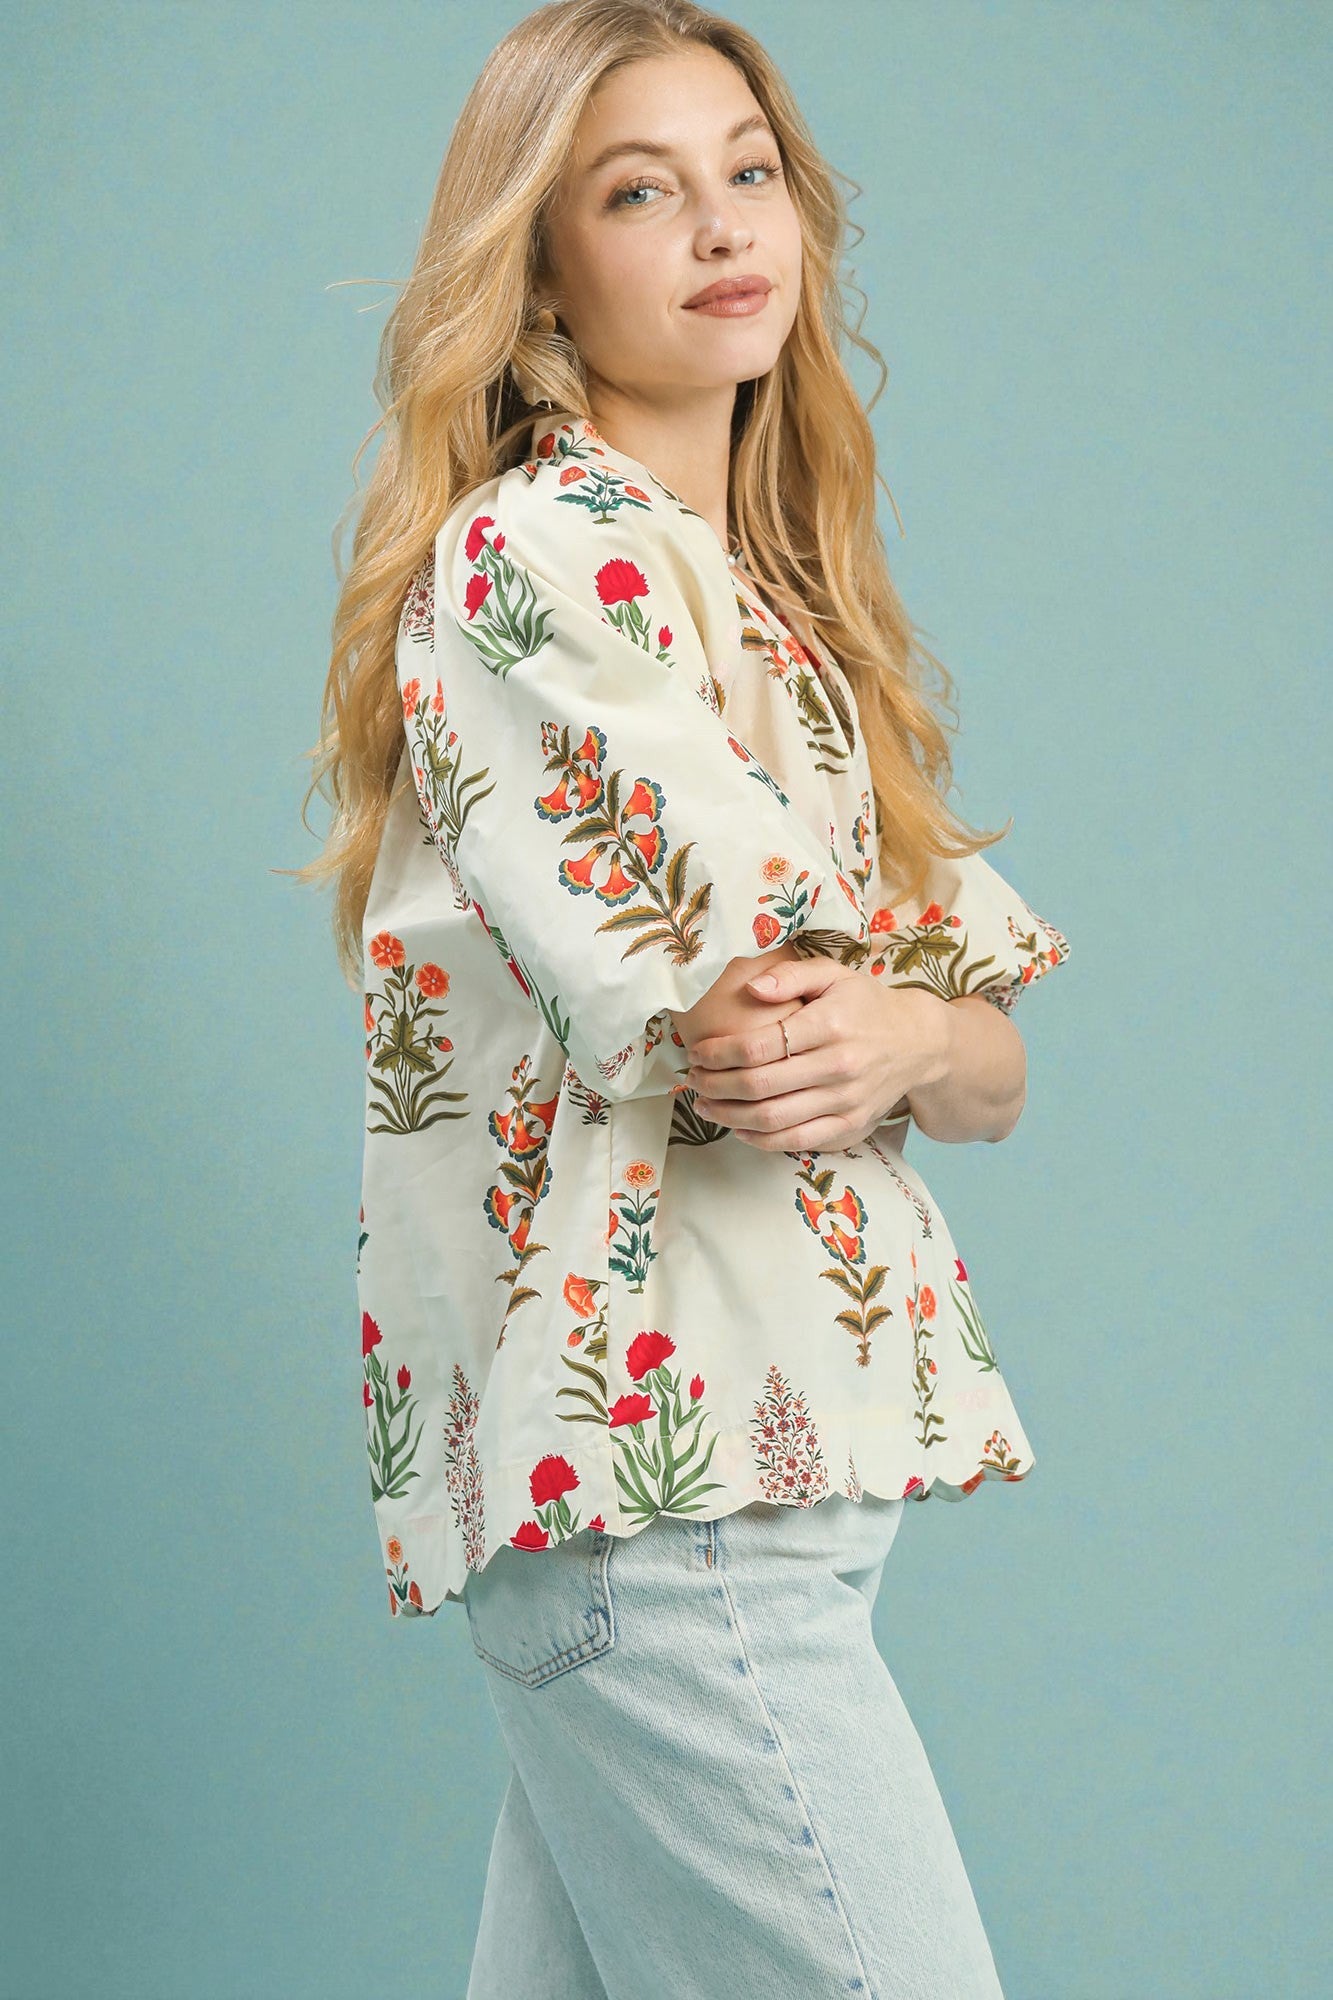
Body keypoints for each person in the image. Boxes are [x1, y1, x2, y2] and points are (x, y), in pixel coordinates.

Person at [298, 3, 1072, 1993]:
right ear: (540, 266)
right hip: (680, 1527)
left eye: (748, 170)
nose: (722, 223)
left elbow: (974, 1050)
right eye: (639, 191)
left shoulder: (768, 604)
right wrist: (895, 1026)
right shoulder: (546, 553)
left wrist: (902, 1032)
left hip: (721, 1503)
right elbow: (745, 1023)